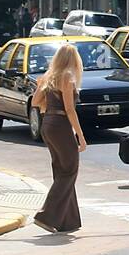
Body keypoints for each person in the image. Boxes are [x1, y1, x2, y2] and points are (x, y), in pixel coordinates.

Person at [29, 44, 87, 234]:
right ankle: (46, 214)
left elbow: (35, 102)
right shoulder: (68, 77)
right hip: (61, 124)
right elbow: (70, 109)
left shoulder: (49, 76)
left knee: (61, 169)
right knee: (70, 170)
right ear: (73, 60)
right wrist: (80, 135)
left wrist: (41, 87)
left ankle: (67, 220)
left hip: (47, 123)